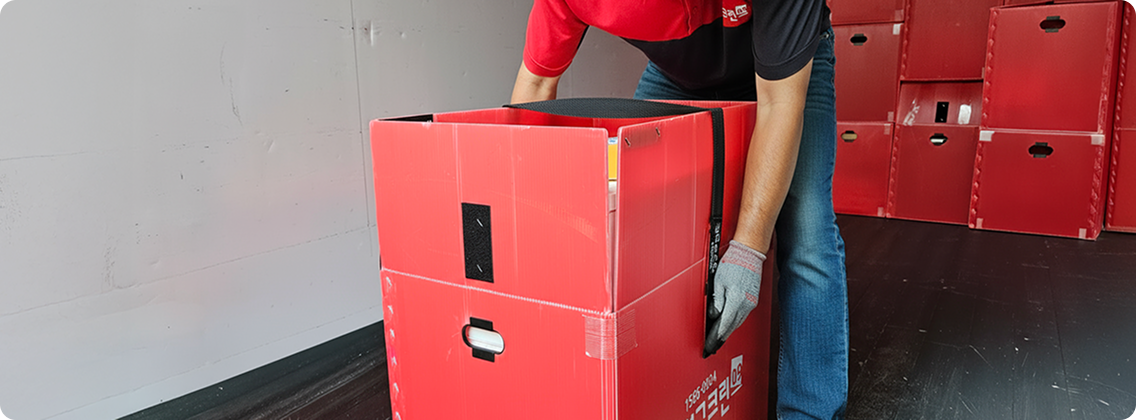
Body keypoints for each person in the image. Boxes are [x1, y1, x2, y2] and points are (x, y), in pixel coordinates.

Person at [510, 1, 848, 419]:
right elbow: (535, 87)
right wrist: (522, 212)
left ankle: (810, 411)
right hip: (678, 77)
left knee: (807, 228)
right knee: (638, 218)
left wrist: (748, 250)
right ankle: (671, 394)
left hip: (785, 67)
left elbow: (779, 104)